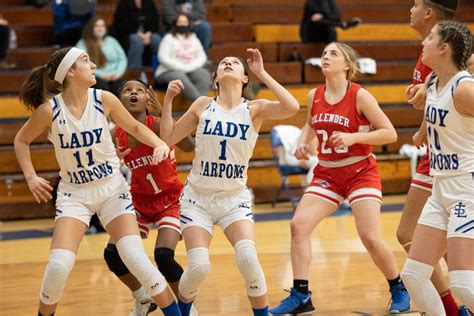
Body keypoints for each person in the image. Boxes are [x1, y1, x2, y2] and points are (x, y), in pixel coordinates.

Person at [14, 47, 181, 316]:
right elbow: (21, 140)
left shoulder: (104, 98)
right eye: (85, 61)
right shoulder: (49, 111)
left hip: (112, 190)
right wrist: (31, 177)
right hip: (74, 196)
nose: (93, 66)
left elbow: (135, 127)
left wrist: (159, 142)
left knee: (135, 257)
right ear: (70, 72)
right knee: (58, 266)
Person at [269, 42, 411, 315]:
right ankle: (301, 295)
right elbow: (312, 122)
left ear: (347, 65)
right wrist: (303, 143)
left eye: (333, 53)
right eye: (324, 53)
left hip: (360, 172)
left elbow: (389, 133)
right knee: (298, 226)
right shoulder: (314, 95)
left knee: (369, 236)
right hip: (327, 173)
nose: (326, 56)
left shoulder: (360, 96)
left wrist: (354, 137)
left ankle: (398, 288)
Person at [160, 48, 300, 316]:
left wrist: (262, 73)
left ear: (244, 78)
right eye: (223, 62)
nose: (228, 63)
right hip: (197, 199)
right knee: (199, 267)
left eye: (235, 63)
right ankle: (183, 311)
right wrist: (167, 101)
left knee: (248, 258)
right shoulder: (202, 104)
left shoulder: (255, 109)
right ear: (215, 78)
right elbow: (167, 139)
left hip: (234, 200)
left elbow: (292, 107)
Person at [396, 1, 469, 314]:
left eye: (416, 3)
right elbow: (439, 96)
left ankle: (459, 301)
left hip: (465, 179)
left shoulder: (463, 83)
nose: (410, 7)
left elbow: (458, 94)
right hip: (441, 177)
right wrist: (425, 128)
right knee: (414, 274)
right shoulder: (434, 76)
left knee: (464, 280)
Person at [103, 79, 196, 316]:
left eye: (139, 90)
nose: (133, 93)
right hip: (139, 201)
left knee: (163, 256)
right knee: (113, 254)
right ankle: (142, 298)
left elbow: (189, 145)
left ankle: (187, 306)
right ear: (119, 101)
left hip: (170, 199)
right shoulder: (115, 133)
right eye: (127, 90)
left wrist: (166, 114)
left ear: (147, 98)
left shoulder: (156, 125)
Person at [154, 14, 211, 104]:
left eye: (185, 22)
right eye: (179, 22)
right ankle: (202, 104)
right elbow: (163, 58)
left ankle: (199, 108)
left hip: (191, 69)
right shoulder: (168, 38)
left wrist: (190, 66)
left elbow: (202, 56)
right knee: (179, 77)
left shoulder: (193, 38)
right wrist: (181, 67)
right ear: (175, 24)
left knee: (204, 74)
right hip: (168, 71)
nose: (182, 25)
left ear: (189, 24)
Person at [76, 16, 127, 97]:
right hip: (94, 77)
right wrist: (101, 75)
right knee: (104, 90)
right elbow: (82, 63)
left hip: (114, 76)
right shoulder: (83, 43)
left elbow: (122, 59)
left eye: (102, 26)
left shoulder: (112, 41)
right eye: (96, 26)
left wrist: (118, 73)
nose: (100, 28)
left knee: (123, 89)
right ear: (91, 28)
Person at [112, 0, 161, 68]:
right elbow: (121, 24)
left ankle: (156, 69)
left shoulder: (149, 2)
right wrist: (139, 33)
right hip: (128, 33)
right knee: (137, 40)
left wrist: (148, 34)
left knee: (156, 39)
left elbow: (155, 20)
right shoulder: (124, 3)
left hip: (147, 33)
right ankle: (134, 71)